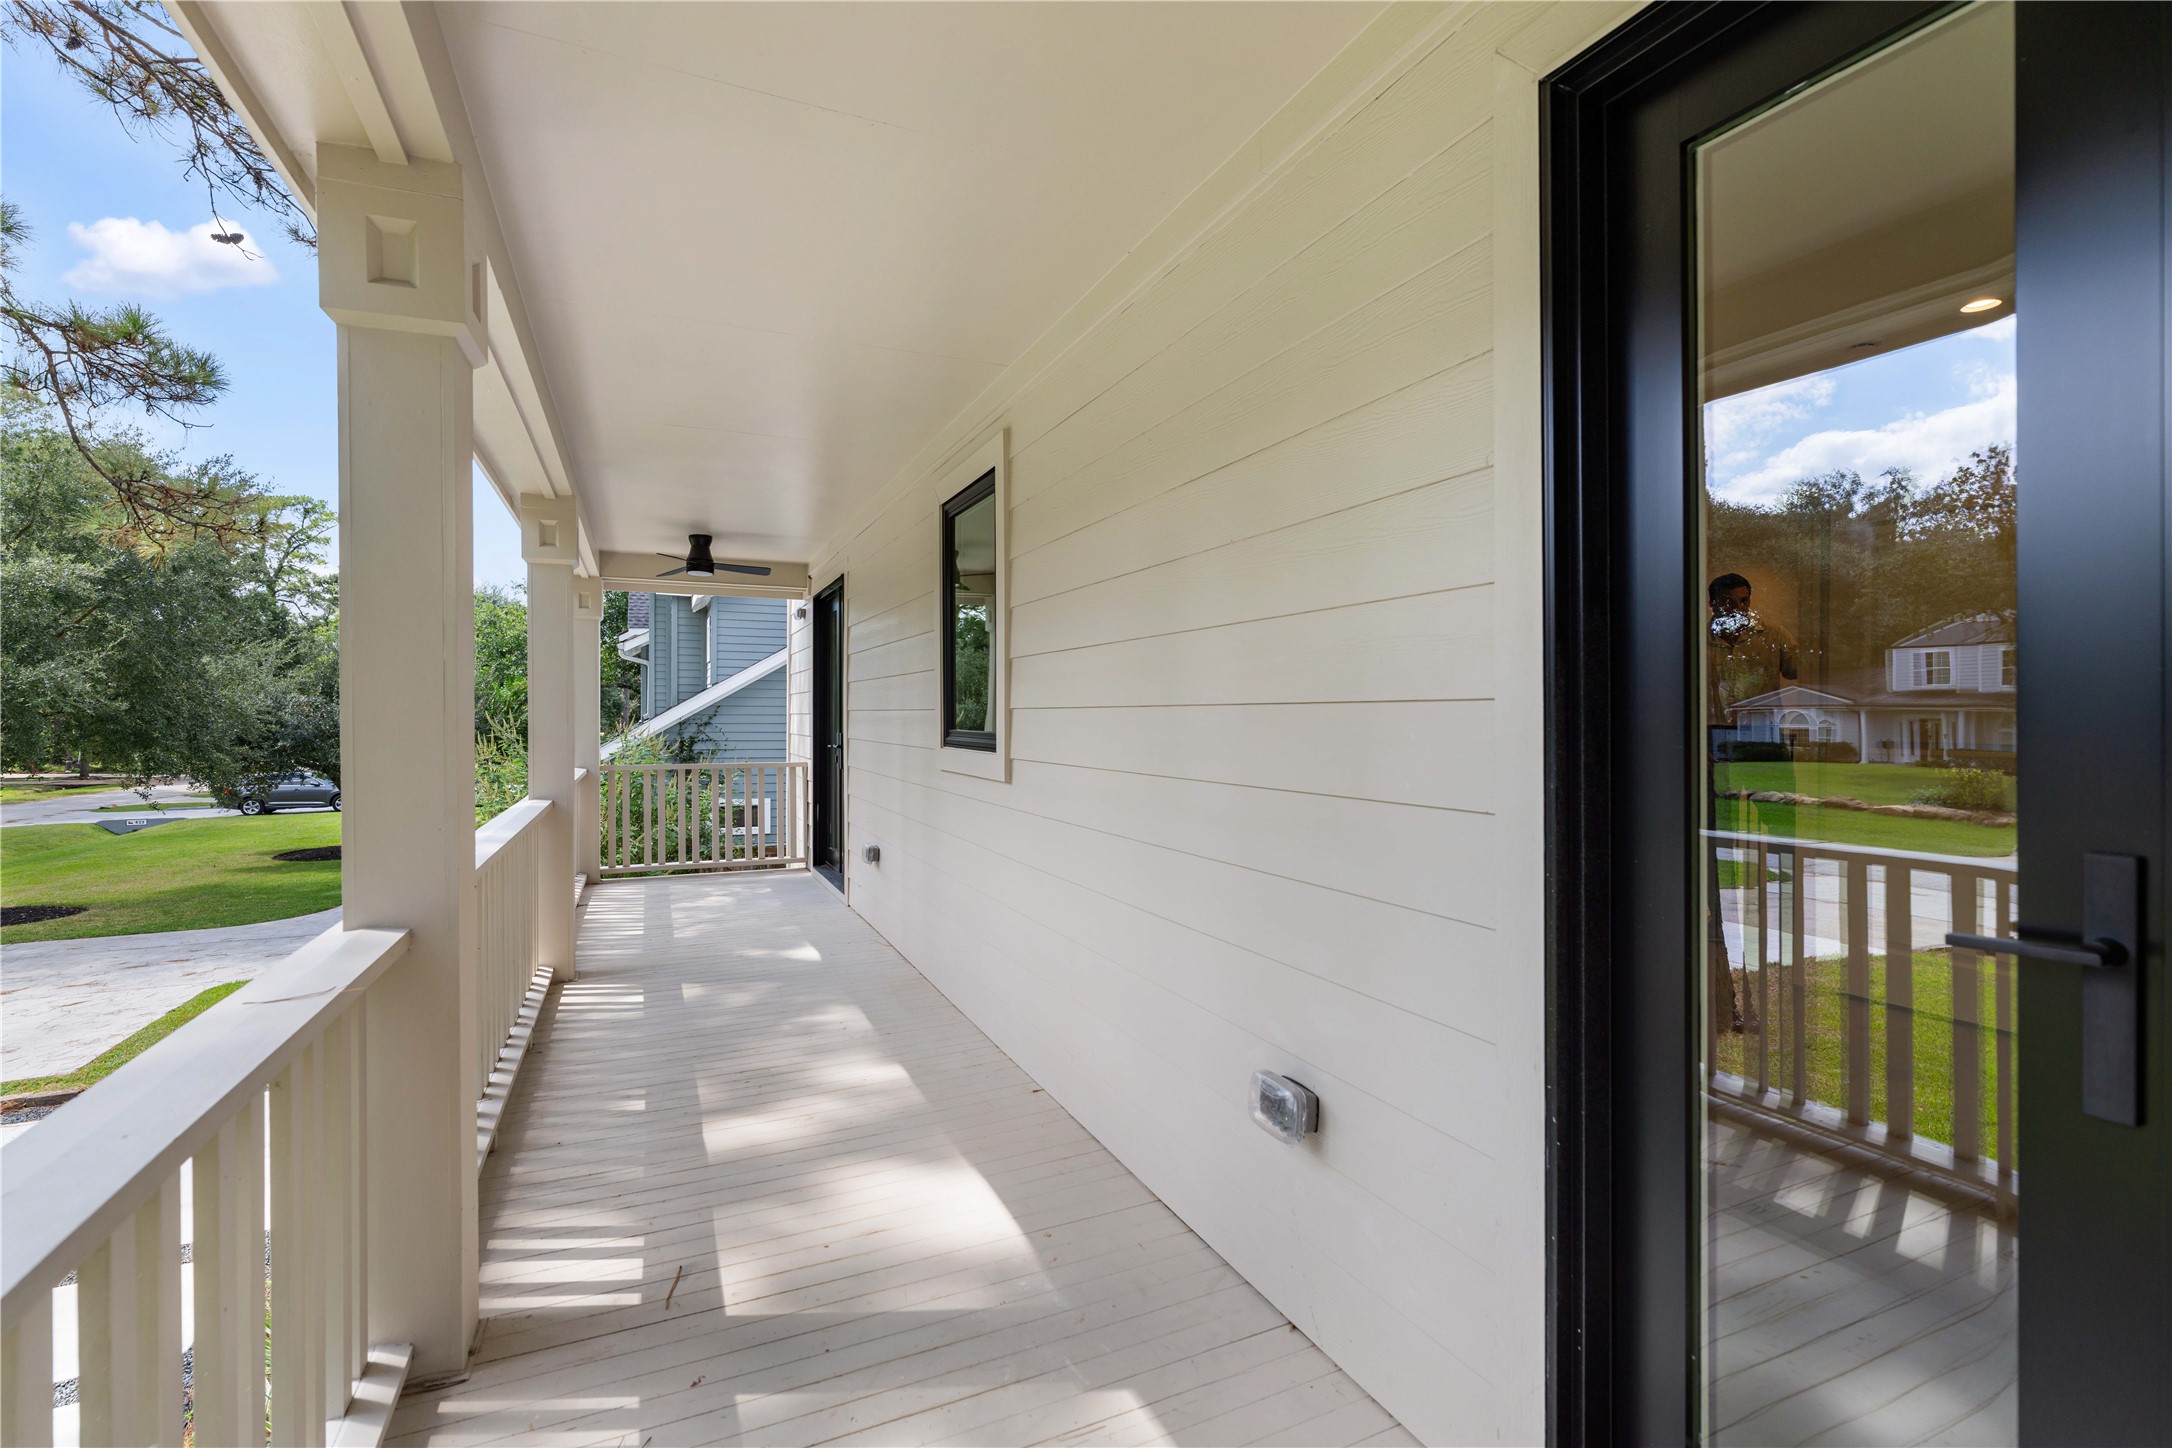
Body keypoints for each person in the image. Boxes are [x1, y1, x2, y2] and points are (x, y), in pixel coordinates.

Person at [1704, 573, 1796, 1035]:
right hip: (1718, 746)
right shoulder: (1699, 641)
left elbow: (1797, 669)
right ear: (1713, 604)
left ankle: (1752, 988)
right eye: (1728, 601)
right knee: (1718, 846)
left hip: (1765, 744)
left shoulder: (1773, 635)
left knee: (1781, 839)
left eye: (1743, 600)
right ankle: (1731, 997)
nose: (1737, 607)